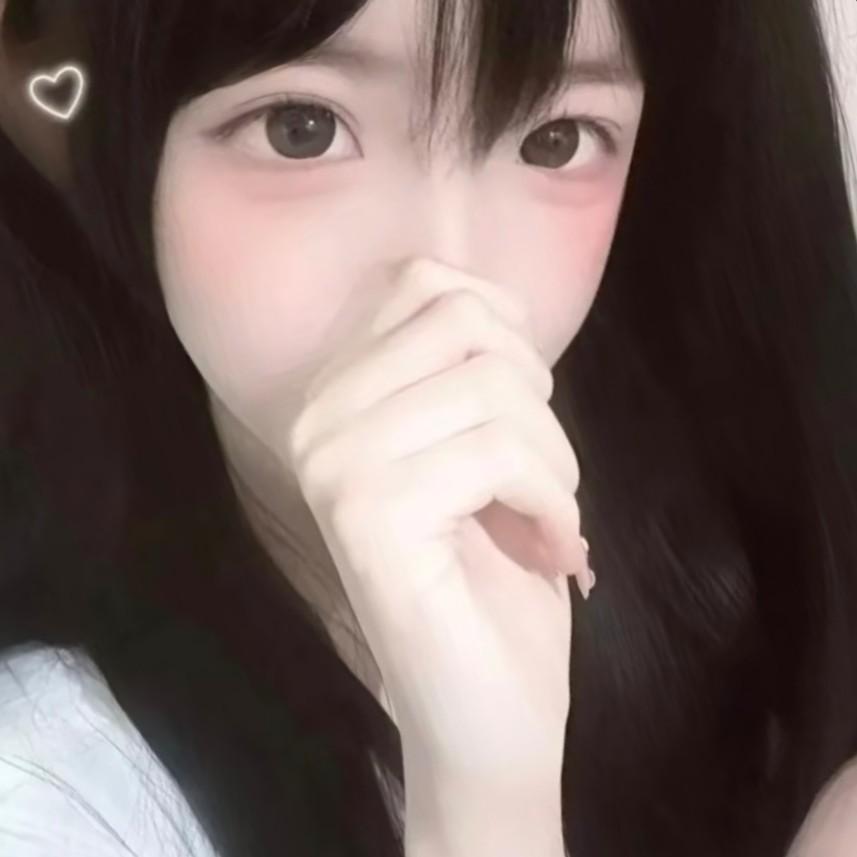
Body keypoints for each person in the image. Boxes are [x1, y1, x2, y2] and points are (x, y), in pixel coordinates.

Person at [0, 0, 856, 854]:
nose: (445, 274)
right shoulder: (49, 787)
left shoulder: (738, 620)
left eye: (555, 139)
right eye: (300, 129)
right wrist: (482, 801)